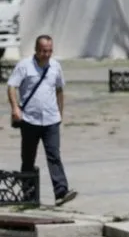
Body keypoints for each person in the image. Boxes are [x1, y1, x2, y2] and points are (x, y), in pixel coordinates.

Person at [6, 34, 76, 206]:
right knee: (28, 158)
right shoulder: (24, 66)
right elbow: (11, 87)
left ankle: (61, 191)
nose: (47, 54)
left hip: (51, 120)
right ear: (36, 50)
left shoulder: (55, 67)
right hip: (29, 120)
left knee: (54, 155)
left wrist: (60, 113)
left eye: (50, 50)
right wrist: (15, 108)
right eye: (44, 51)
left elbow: (59, 90)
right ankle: (28, 195)